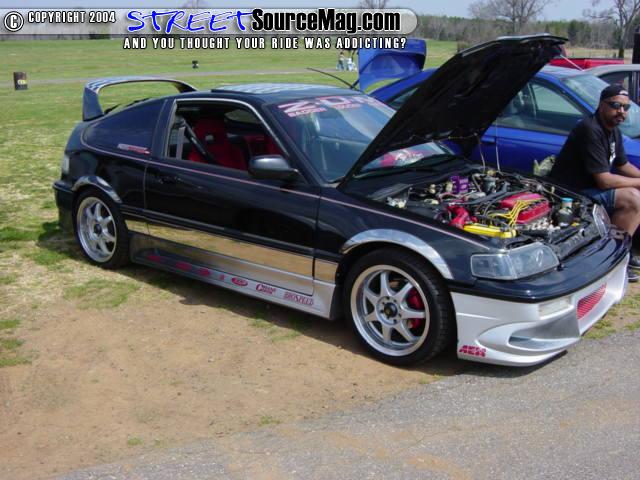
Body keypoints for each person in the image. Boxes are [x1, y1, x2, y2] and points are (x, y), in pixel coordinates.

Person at [549, 84, 640, 281]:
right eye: (615, 105)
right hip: (572, 193)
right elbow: (604, 181)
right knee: (633, 198)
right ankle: (613, 257)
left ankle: (623, 251)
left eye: (626, 107)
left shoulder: (613, 129)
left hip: (591, 189)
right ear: (601, 105)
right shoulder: (589, 129)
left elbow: (623, 165)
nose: (621, 111)